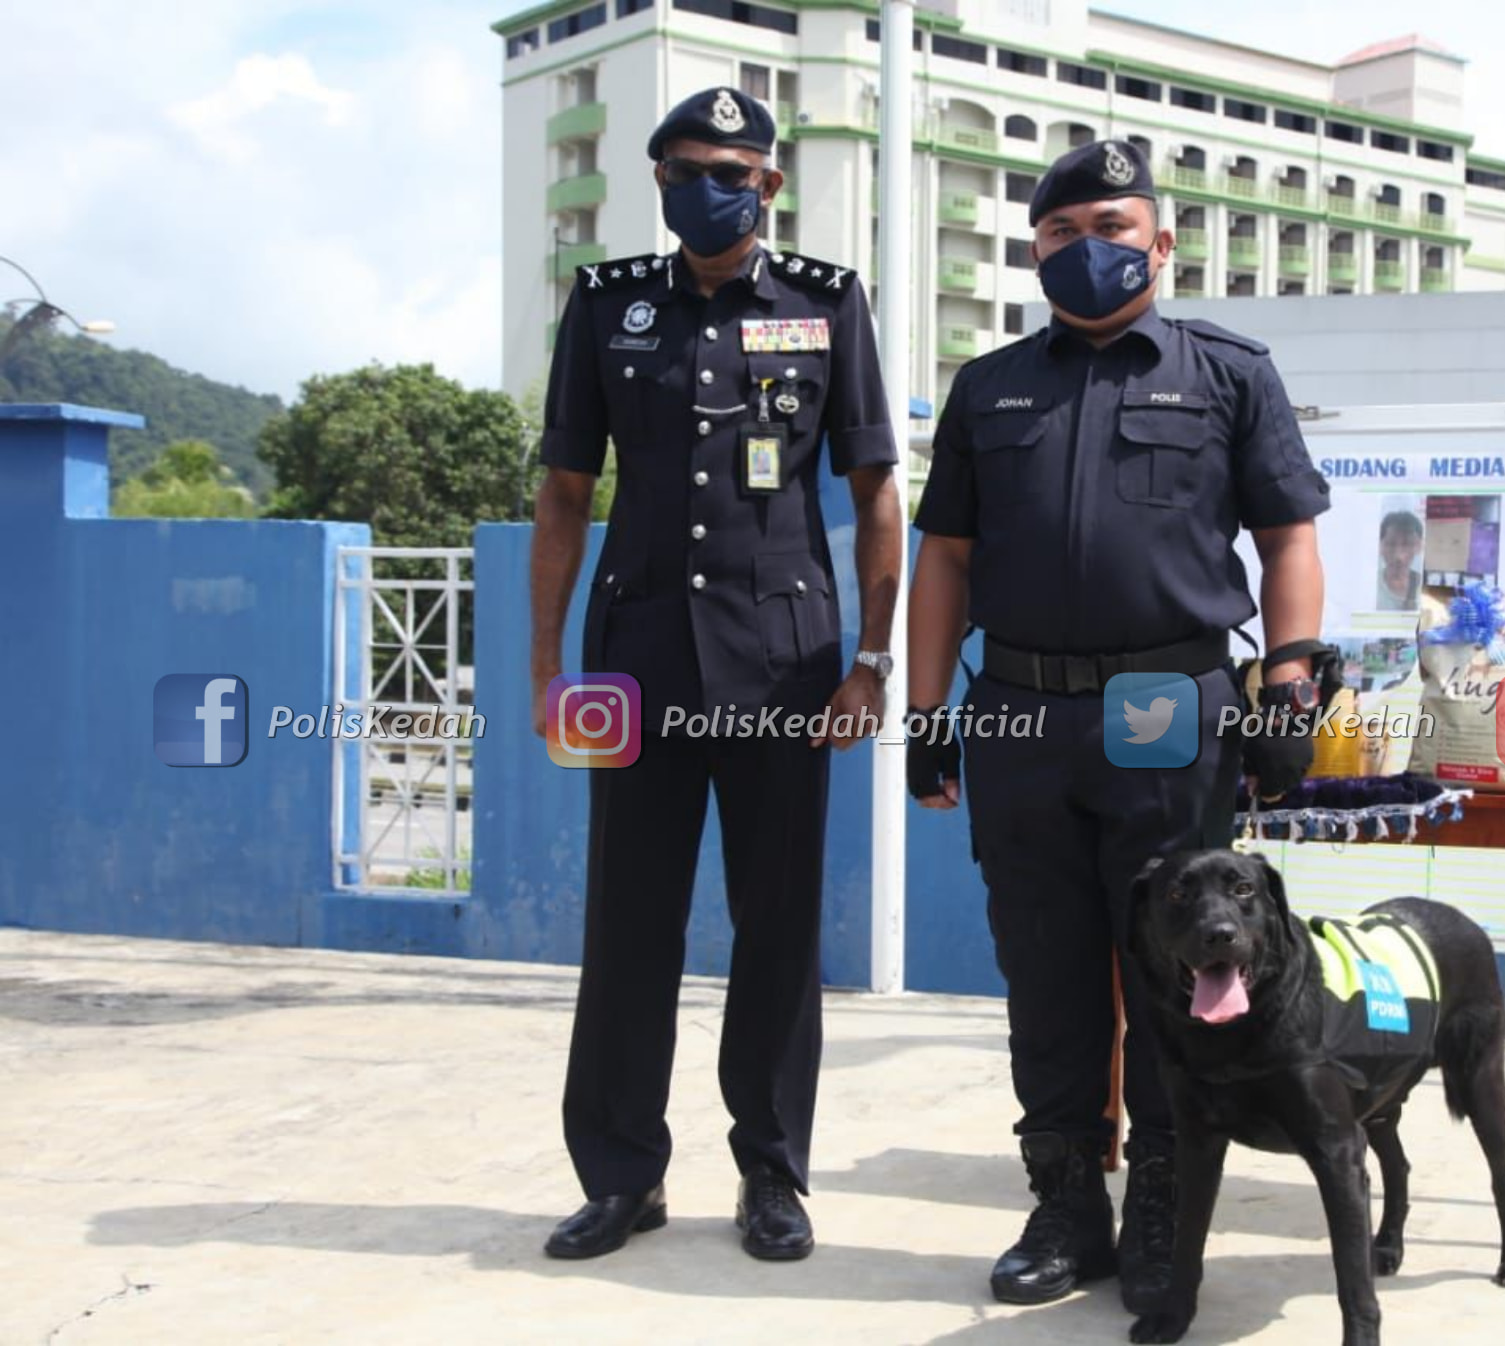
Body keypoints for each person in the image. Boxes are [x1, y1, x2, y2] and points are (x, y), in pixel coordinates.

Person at [905, 139, 1330, 1311]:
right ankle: (1064, 1202)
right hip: (1018, 709)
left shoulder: (1228, 372)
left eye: (1109, 224)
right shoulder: (989, 387)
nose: (1085, 249)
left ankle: (1158, 1204)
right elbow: (945, 554)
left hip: (1165, 703)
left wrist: (1288, 681)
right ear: (1032, 248)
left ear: (1160, 238)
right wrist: (928, 710)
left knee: (1173, 965)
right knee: (1042, 967)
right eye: (1058, 233)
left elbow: (1287, 534)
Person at [529, 86, 901, 1263]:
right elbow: (562, 493)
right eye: (686, 166)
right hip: (634, 661)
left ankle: (773, 1176)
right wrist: (547, 665)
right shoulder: (605, 306)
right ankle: (622, 1174)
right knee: (627, 923)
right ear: (657, 179)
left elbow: (877, 493)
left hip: (786, 668)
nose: (708, 186)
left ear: (769, 183)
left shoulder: (827, 302)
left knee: (777, 929)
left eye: (730, 168)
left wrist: (872, 660)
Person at [1376, 509, 1424, 612]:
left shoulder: (1426, 589)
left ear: (1418, 546)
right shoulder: (1368, 585)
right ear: (1380, 546)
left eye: (1407, 544)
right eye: (1391, 544)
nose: (1399, 556)